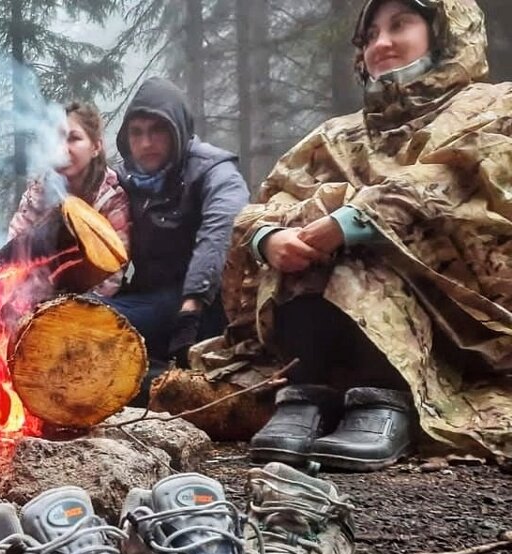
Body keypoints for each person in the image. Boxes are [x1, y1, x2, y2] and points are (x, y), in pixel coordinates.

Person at [192, 0, 511, 470]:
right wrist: (268, 237)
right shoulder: (336, 136)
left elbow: (466, 183)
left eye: (399, 25)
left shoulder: (491, 108)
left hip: (455, 321)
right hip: (320, 327)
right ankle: (310, 393)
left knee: (360, 242)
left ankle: (385, 395)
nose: (381, 43)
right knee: (301, 244)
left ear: (445, 32)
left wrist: (354, 221)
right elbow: (269, 201)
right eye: (370, 35)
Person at [112, 78, 250, 365]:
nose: (146, 143)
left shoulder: (214, 171)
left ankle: (160, 374)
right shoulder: (122, 180)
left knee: (96, 327)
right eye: (136, 133)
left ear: (178, 130)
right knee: (75, 318)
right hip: (149, 297)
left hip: (208, 305)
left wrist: (192, 305)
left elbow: (220, 231)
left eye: (157, 130)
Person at [8, 101, 131, 297]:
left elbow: (112, 275)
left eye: (74, 138)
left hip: (91, 301)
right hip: (36, 293)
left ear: (96, 147)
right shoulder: (41, 188)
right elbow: (15, 244)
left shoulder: (111, 198)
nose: (62, 149)